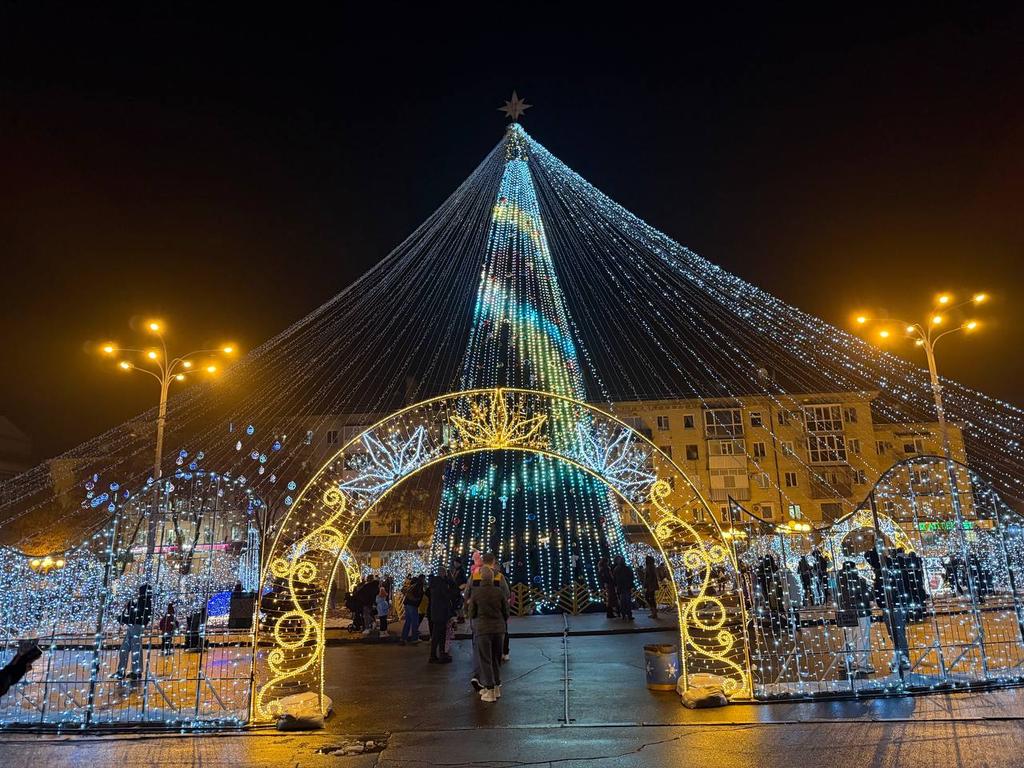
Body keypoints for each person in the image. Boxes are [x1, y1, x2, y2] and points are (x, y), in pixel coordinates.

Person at [465, 553, 510, 690]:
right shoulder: (499, 576)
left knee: (479, 650)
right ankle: (495, 683)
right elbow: (506, 595)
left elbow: (467, 594)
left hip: (479, 620)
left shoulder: (475, 575)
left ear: (483, 561)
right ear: (494, 561)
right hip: (497, 621)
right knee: (495, 655)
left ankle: (478, 676)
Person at [836, 561, 875, 675]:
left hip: (845, 613)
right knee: (862, 637)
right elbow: (866, 595)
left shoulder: (839, 579)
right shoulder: (857, 580)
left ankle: (846, 661)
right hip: (860, 612)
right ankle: (862, 664)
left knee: (849, 638)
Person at [114, 584, 153, 680]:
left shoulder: (144, 602)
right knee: (126, 649)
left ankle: (134, 671)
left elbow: (136, 616)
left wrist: (128, 609)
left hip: (136, 627)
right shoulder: (144, 601)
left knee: (133, 650)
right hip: (133, 627)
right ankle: (125, 671)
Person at [427, 568, 455, 663]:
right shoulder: (441, 584)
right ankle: (439, 654)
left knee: (437, 634)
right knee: (440, 634)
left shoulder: (433, 583)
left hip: (436, 612)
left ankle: (435, 654)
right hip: (441, 612)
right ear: (442, 573)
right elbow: (447, 595)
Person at [400, 574, 425, 645]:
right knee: (415, 621)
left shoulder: (413, 584)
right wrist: (417, 599)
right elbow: (418, 595)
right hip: (412, 604)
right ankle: (414, 638)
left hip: (407, 603)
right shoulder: (419, 585)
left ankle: (403, 638)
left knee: (408, 621)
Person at [612, 556, 634, 621]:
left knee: (622, 602)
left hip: (620, 587)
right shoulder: (627, 569)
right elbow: (631, 577)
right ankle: (629, 615)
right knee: (627, 601)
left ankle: (623, 614)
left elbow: (614, 578)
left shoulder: (616, 569)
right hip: (626, 587)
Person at [642, 555, 660, 619]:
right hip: (652, 585)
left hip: (650, 585)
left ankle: (654, 611)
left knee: (649, 597)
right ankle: (654, 611)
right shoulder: (652, 566)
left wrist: (646, 584)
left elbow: (649, 577)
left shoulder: (649, 567)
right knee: (651, 597)